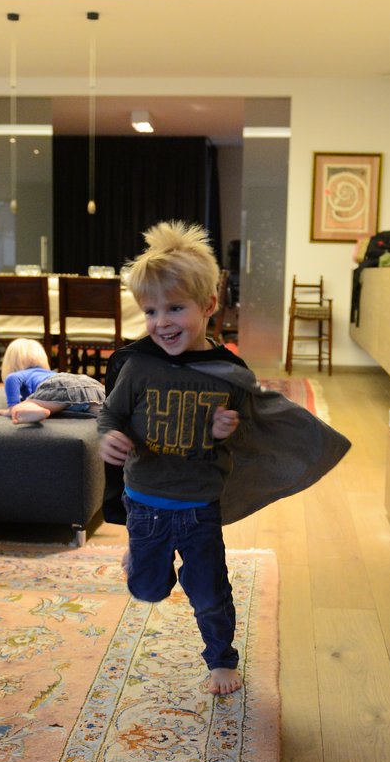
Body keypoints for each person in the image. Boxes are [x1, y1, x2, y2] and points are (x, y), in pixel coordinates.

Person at [98, 221, 350, 697]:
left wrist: (224, 429)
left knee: (209, 590)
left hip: (198, 506)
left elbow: (245, 428)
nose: (162, 322)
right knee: (148, 589)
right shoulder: (138, 365)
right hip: (145, 503)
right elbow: (110, 413)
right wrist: (108, 437)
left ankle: (221, 660)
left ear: (209, 306)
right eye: (151, 311)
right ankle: (139, 558)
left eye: (176, 308)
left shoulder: (227, 373)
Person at [0, 337, 106, 424]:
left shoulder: (22, 374)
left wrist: (12, 407)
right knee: (100, 410)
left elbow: (11, 378)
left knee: (24, 405)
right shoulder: (48, 373)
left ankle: (36, 411)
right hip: (88, 384)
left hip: (60, 388)